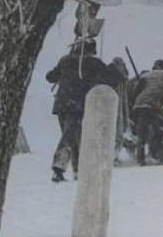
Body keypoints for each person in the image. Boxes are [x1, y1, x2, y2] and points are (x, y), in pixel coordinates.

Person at [46, 39, 120, 182]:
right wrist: (114, 68)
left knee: (72, 135)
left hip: (61, 104)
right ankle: (59, 166)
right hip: (78, 104)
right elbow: (111, 78)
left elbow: (50, 77)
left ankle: (77, 170)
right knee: (71, 136)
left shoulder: (65, 60)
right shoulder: (94, 63)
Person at [131, 60, 163, 165]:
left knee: (142, 133)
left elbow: (136, 89)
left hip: (140, 104)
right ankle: (156, 154)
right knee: (159, 130)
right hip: (155, 104)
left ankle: (140, 158)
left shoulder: (145, 76)